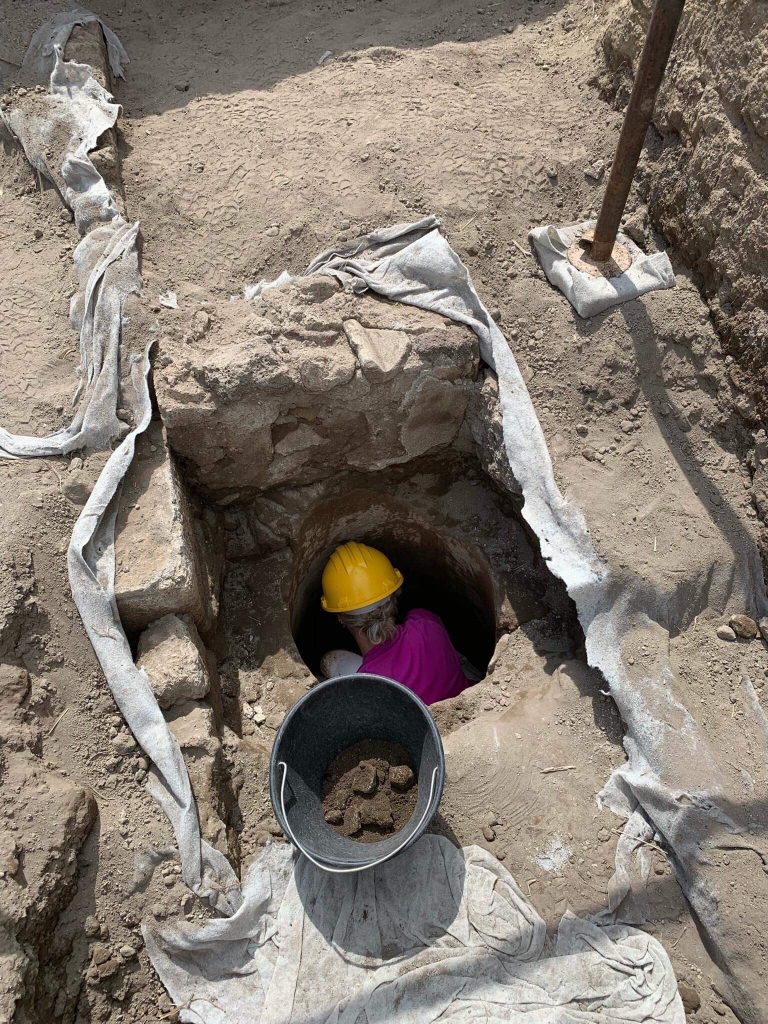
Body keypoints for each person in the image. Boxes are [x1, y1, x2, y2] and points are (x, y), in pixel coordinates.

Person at [319, 541, 475, 705]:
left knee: (331, 674)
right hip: (467, 703)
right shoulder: (426, 621)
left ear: (341, 617)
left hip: (424, 728)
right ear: (393, 598)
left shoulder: (370, 684)